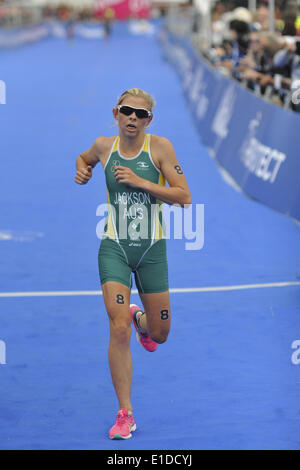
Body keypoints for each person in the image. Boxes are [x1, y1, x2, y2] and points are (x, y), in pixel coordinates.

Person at [75, 88, 191, 439]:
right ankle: (125, 413)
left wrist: (142, 181)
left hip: (152, 250)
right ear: (116, 112)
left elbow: (184, 195)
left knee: (160, 334)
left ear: (149, 120)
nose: (132, 118)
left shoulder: (160, 148)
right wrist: (83, 172)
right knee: (117, 327)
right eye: (127, 111)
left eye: (140, 114)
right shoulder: (102, 146)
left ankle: (141, 319)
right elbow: (83, 159)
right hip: (115, 248)